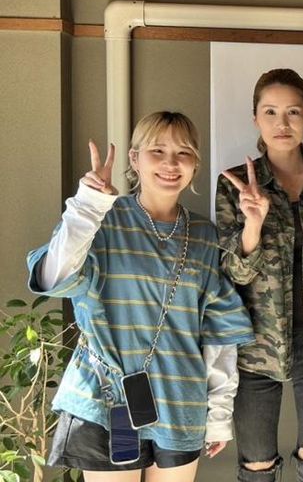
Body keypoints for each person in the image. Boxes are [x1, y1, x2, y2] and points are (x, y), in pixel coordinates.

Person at [26, 111, 255, 481]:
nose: (170, 163)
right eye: (157, 151)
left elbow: (219, 330)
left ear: (195, 165)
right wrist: (87, 205)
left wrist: (218, 415)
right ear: (134, 159)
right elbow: (55, 275)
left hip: (180, 400)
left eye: (183, 153)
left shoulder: (204, 235)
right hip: (106, 396)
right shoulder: (104, 217)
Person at [216, 68, 303, 482]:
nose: (282, 122)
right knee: (256, 466)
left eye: (293, 111)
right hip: (254, 347)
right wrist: (253, 223)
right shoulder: (235, 184)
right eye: (270, 112)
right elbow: (233, 273)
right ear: (255, 118)